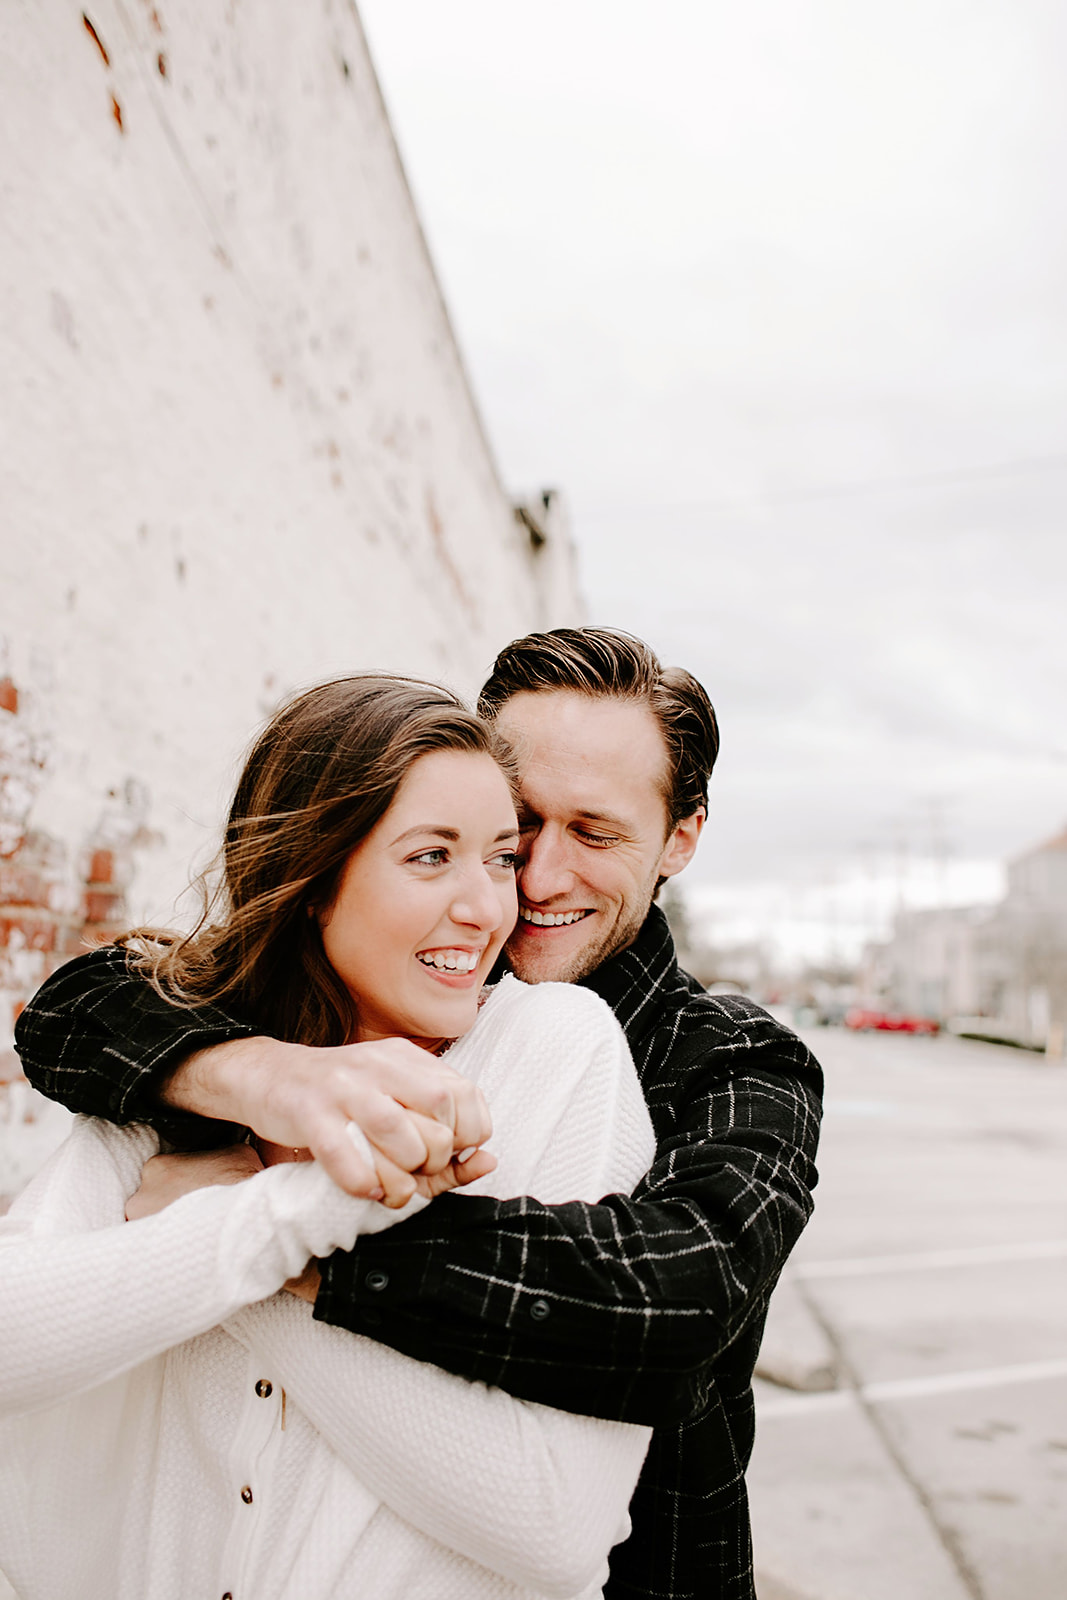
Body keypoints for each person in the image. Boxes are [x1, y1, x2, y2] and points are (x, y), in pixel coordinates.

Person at [17, 627, 824, 1600]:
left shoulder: (728, 1061)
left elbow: (672, 1301)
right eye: (511, 829)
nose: (529, 881)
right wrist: (253, 1074)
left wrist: (273, 1222)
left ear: (680, 838)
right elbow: (75, 1008)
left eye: (596, 833)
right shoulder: (262, 1035)